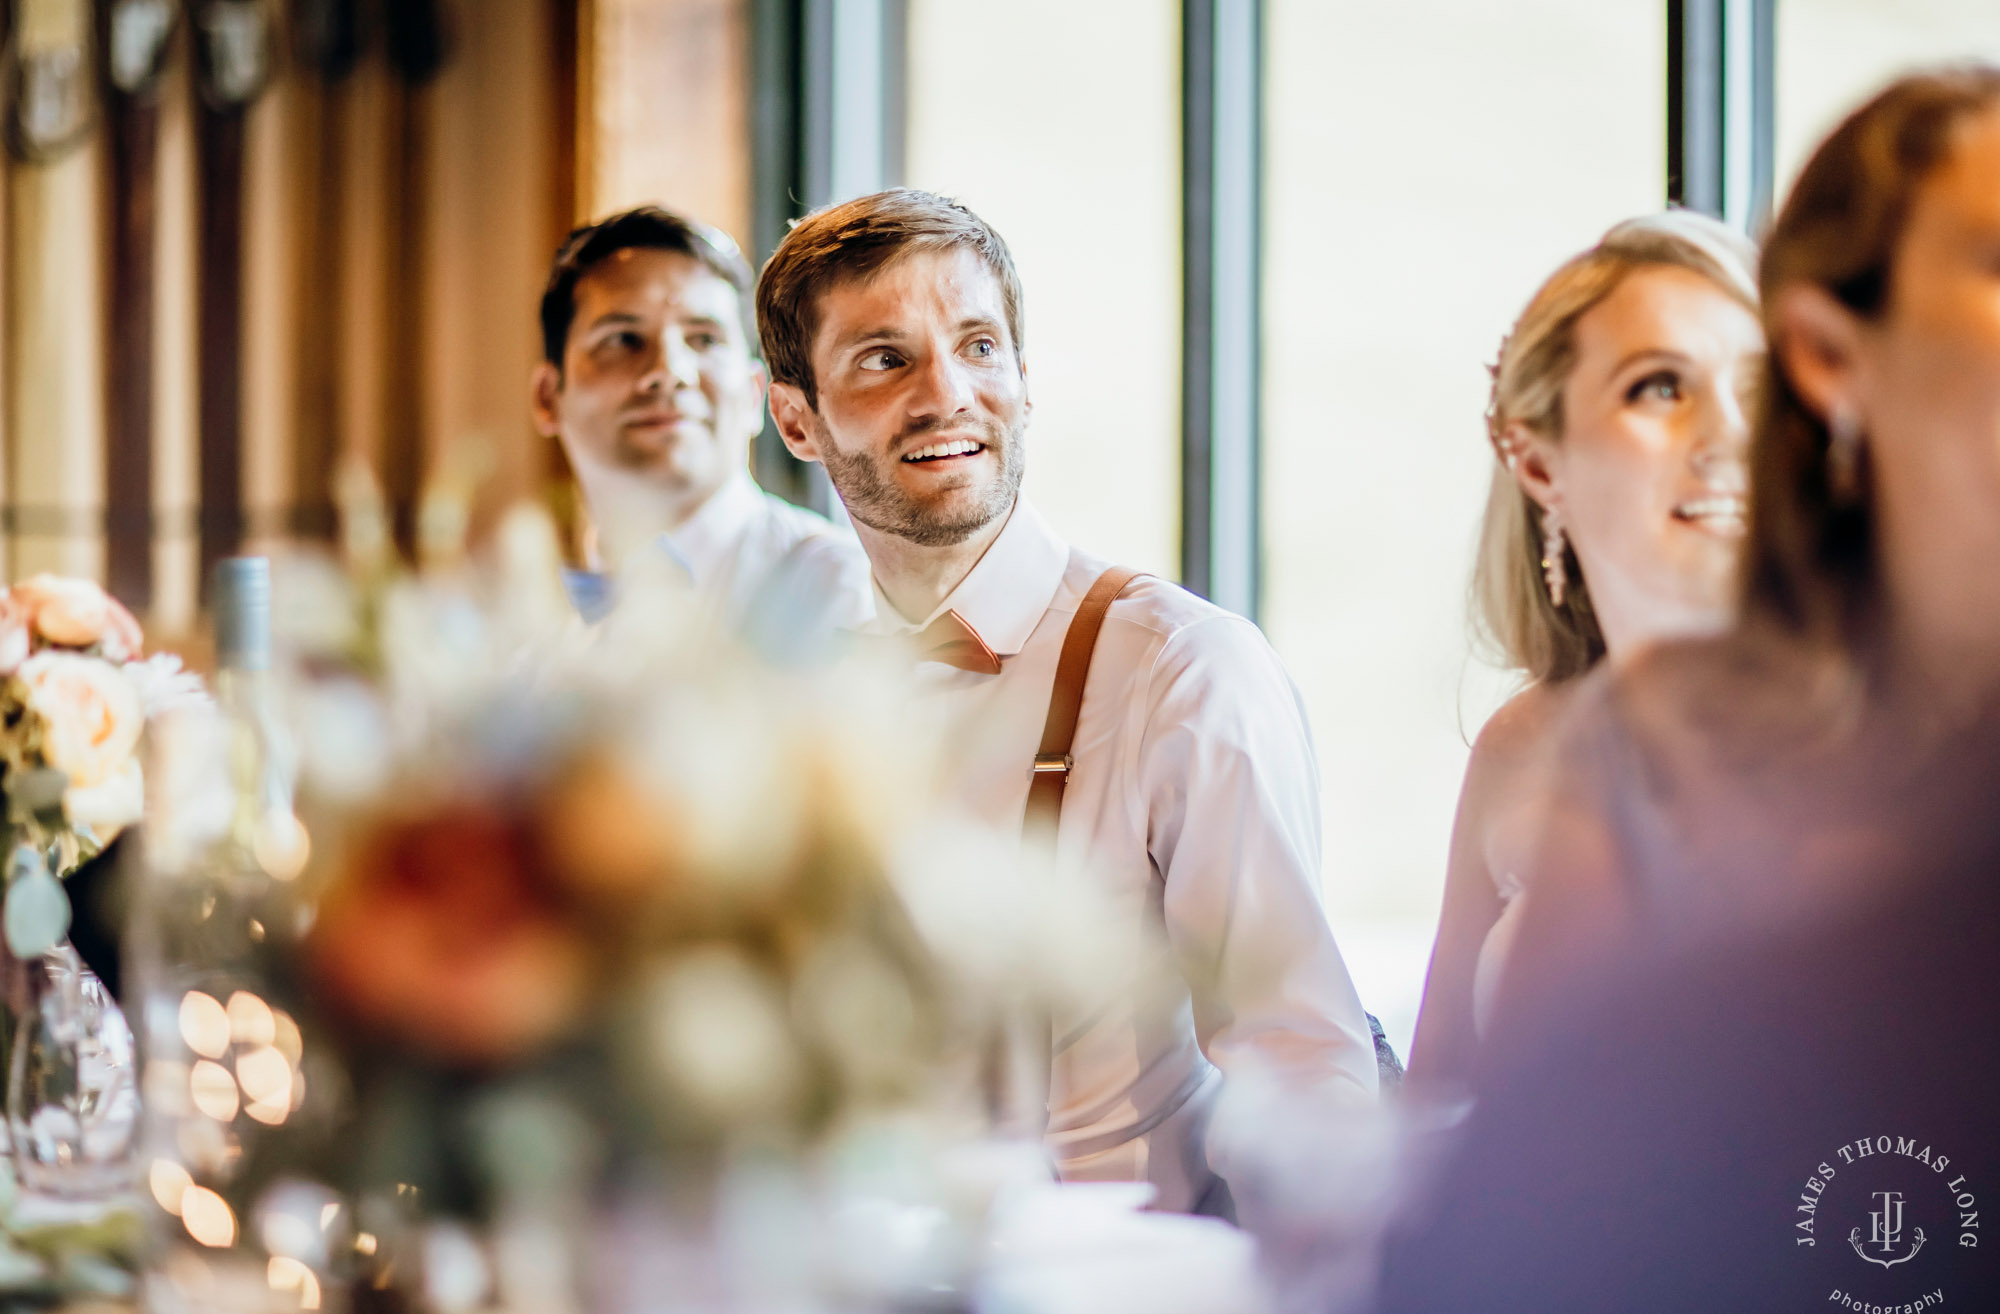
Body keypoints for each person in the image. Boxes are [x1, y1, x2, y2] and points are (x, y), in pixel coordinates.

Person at [1355, 65, 2000, 1314]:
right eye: (1659, 386)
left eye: (1743, 388)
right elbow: (1440, 1133)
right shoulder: (1564, 751)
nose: (1719, 435)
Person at [755, 188, 1378, 1217]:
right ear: (795, 420)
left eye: (977, 346)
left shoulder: (1183, 672)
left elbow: (1303, 1075)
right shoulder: (791, 697)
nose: (945, 393)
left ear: (1024, 380)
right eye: (883, 358)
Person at [1405, 213, 1762, 1090]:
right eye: (1659, 388)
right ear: (1537, 463)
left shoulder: (1901, 733)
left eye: (1762, 390)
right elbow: (1435, 1108)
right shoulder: (1520, 745)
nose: (1729, 435)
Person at [531, 206, 871, 641]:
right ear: (547, 397)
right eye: (623, 339)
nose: (670, 370)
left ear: (753, 395)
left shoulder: (841, 595)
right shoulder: (533, 652)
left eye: (704, 339)